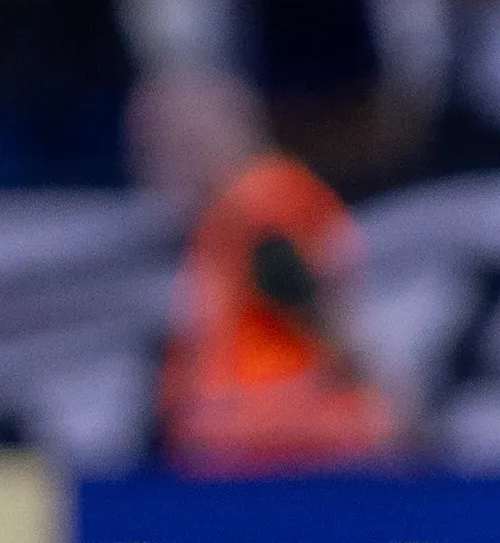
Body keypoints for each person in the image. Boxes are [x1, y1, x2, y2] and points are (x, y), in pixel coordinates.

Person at [139, 66, 398, 475]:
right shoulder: (230, 210)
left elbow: (327, 314)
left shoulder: (260, 203)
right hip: (253, 444)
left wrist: (386, 406)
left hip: (278, 447)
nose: (156, 160)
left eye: (167, 140)